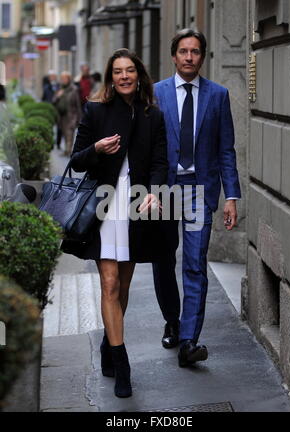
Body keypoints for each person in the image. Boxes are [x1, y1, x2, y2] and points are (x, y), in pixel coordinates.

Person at [60, 49, 168, 398]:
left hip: (136, 209)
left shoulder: (153, 116)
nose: (124, 76)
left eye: (130, 71)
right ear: (111, 76)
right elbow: (75, 162)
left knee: (121, 288)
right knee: (109, 284)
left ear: (139, 75)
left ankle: (110, 343)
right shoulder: (96, 109)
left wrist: (155, 191)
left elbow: (160, 162)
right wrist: (97, 149)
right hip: (103, 207)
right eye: (118, 71)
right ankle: (122, 365)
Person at [152, 29, 241, 368]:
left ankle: (189, 339)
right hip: (162, 190)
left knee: (195, 263)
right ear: (174, 56)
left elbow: (226, 149)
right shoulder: (156, 93)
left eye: (195, 51)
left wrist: (231, 195)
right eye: (183, 51)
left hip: (199, 191)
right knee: (162, 261)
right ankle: (172, 322)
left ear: (203, 57)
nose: (189, 57)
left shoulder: (218, 96)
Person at [53, 71, 82, 156]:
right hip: (62, 116)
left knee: (70, 133)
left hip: (72, 115)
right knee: (65, 134)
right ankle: (67, 150)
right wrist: (58, 96)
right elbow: (53, 101)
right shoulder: (60, 89)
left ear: (69, 79)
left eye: (65, 78)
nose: (63, 80)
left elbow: (78, 105)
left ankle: (69, 151)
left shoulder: (74, 89)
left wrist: (79, 118)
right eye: (62, 78)